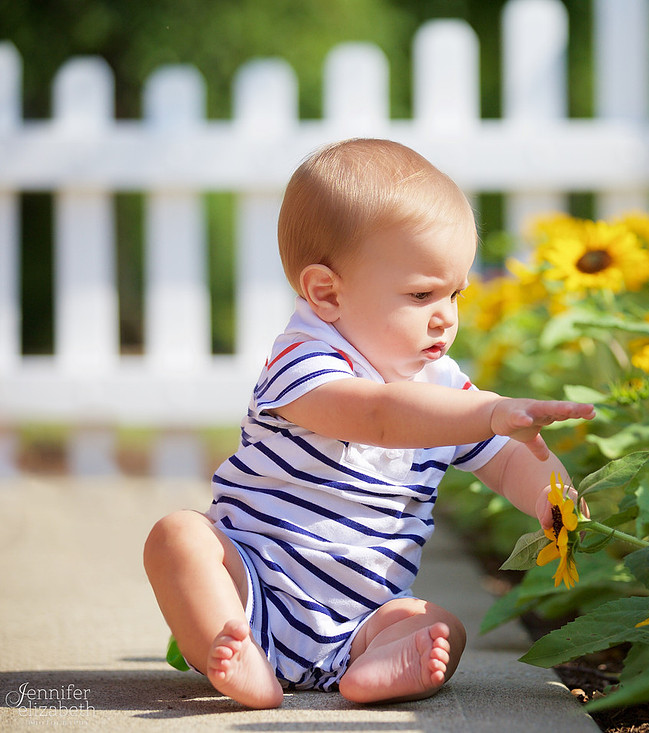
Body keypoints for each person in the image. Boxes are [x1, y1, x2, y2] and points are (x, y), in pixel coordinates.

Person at [143, 138, 595, 709]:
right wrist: (487, 413)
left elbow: (507, 456)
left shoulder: (444, 386)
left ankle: (379, 667)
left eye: (456, 292)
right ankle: (231, 651)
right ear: (327, 293)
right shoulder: (303, 362)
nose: (447, 316)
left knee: (436, 625)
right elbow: (380, 416)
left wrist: (553, 497)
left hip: (363, 619)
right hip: (253, 588)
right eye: (422, 293)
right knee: (178, 537)